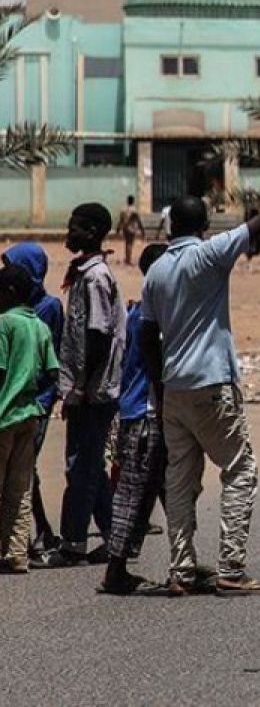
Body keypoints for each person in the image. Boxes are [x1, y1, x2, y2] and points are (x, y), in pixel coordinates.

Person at [141, 140, 260, 597]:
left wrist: (159, 387)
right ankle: (230, 567)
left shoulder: (155, 272)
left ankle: (181, 571)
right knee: (240, 470)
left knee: (180, 482)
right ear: (205, 225)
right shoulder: (210, 256)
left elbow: (147, 337)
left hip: (173, 389)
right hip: (211, 383)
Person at [35, 203, 126, 568]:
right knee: (89, 465)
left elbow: (98, 336)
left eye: (73, 228)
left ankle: (73, 543)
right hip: (88, 389)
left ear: (90, 231)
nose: (67, 234)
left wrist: (82, 389)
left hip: (94, 391)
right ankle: (116, 536)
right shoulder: (85, 274)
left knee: (79, 466)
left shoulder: (95, 278)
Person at [100, 243, 168, 595]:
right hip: (145, 412)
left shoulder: (140, 312)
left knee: (169, 489)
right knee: (133, 493)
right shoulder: (148, 318)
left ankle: (184, 560)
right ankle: (116, 569)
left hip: (140, 411)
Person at [1, 243, 64, 557]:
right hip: (30, 407)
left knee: (13, 479)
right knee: (23, 481)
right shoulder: (32, 321)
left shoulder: (14, 320)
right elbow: (53, 366)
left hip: (14, 410)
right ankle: (20, 547)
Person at [115, 196, 145, 267]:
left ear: (127, 201)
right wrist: (142, 229)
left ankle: (127, 258)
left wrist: (118, 228)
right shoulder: (134, 210)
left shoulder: (123, 210)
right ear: (133, 201)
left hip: (125, 228)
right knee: (130, 244)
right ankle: (128, 260)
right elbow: (138, 220)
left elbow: (121, 220)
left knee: (127, 243)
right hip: (132, 228)